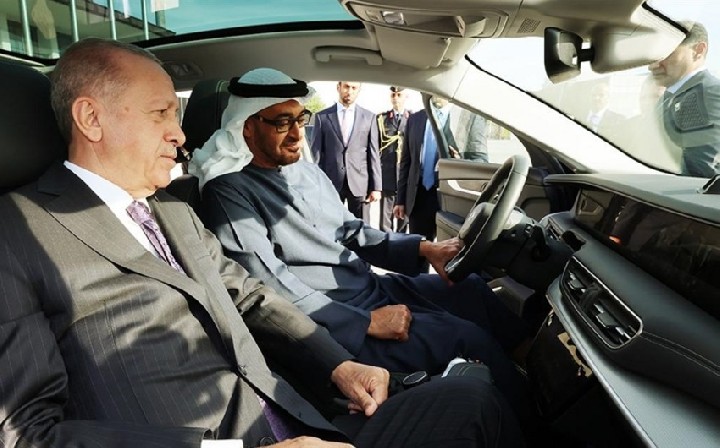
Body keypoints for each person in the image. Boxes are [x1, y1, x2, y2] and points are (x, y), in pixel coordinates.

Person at [0, 39, 525, 448]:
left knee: (473, 396)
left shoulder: (174, 211)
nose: (180, 135)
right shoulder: (17, 233)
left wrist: (339, 365)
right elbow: (26, 432)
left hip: (298, 415)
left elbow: (252, 295)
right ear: (91, 118)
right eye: (161, 114)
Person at [191, 69, 533, 425]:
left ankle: (538, 372)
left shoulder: (306, 172)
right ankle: (532, 427)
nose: (296, 134)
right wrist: (365, 322)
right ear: (248, 126)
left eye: (300, 119)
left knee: (473, 290)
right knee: (468, 339)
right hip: (336, 320)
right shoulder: (228, 192)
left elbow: (352, 231)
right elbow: (270, 285)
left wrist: (424, 249)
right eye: (281, 123)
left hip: (371, 287)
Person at [649, 20, 720, 178]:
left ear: (698, 50)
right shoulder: (669, 97)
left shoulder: (708, 93)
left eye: (666, 53)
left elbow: (702, 173)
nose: (652, 66)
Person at [310, 81, 381, 223]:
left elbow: (373, 154)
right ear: (338, 87)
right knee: (330, 226)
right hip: (331, 183)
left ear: (359, 91)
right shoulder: (322, 117)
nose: (350, 91)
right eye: (346, 87)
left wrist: (376, 188)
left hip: (360, 183)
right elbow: (316, 156)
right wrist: (315, 184)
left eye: (354, 88)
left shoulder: (369, 117)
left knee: (361, 229)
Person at [394, 96, 451, 242]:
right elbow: (406, 162)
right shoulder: (415, 119)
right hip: (418, 196)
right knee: (418, 249)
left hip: (448, 197)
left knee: (449, 251)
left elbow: (477, 158)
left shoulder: (461, 119)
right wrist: (400, 200)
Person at [376, 86, 411, 232]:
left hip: (405, 176)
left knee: (404, 220)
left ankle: (401, 243)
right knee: (385, 221)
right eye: (393, 95)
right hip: (387, 175)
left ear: (406, 97)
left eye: (399, 95)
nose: (396, 98)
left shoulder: (413, 118)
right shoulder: (382, 119)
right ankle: (386, 244)